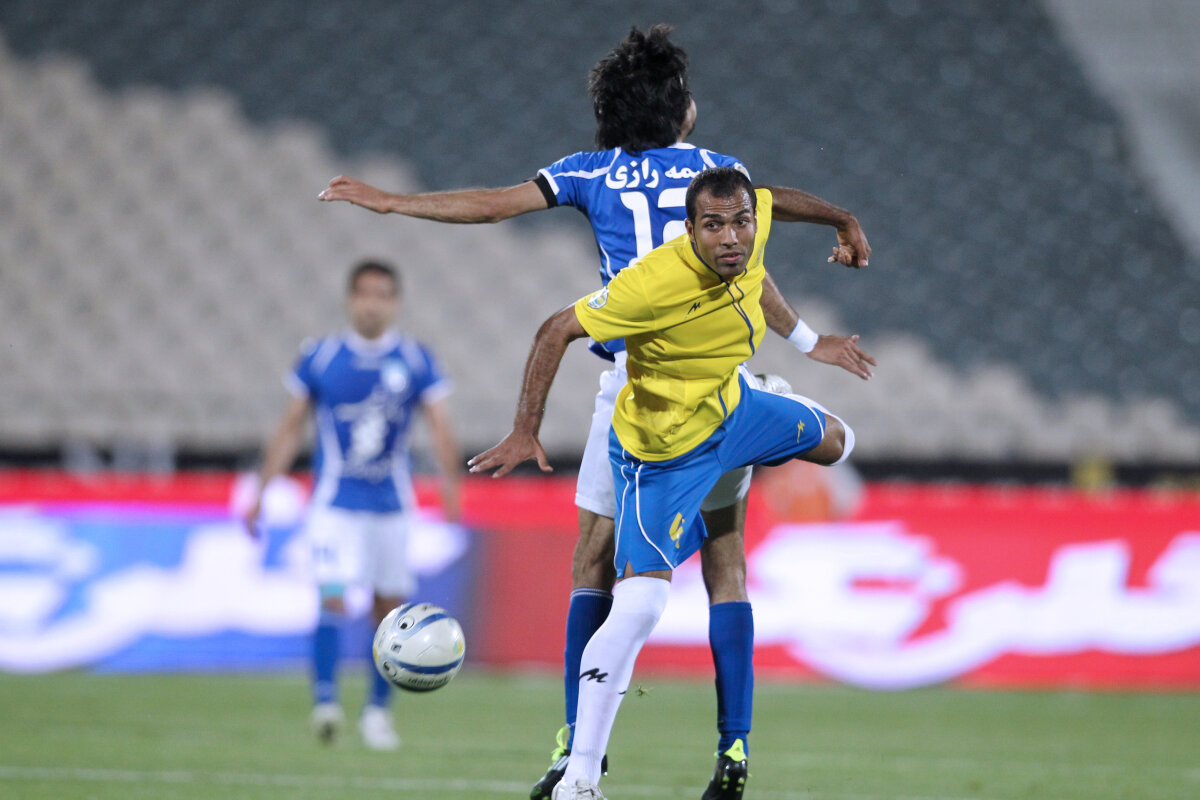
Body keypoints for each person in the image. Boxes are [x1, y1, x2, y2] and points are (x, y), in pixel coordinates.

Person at [319, 25, 874, 797]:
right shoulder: (718, 173)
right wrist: (811, 333)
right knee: (725, 564)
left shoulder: (588, 171)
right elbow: (758, 255)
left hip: (634, 393)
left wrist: (392, 204)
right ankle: (732, 747)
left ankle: (576, 752)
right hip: (722, 376)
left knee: (594, 565)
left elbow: (492, 207)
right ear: (680, 107)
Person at [470, 167, 855, 800]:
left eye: (740, 223)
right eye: (714, 226)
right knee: (643, 603)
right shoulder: (651, 282)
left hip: (734, 411)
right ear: (689, 230)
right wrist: (523, 429)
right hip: (662, 457)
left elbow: (776, 199)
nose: (731, 238)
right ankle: (581, 777)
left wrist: (843, 219)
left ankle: (768, 396)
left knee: (839, 442)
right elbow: (555, 329)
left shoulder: (749, 229)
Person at [244, 259, 462, 751]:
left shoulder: (416, 360)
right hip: (335, 505)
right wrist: (261, 491)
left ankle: (377, 714)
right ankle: (326, 704)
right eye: (364, 293)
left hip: (392, 505)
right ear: (350, 299)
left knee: (388, 611)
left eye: (382, 294)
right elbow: (290, 427)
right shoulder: (321, 357)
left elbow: (440, 427)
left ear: (395, 302)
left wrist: (451, 488)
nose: (372, 304)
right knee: (334, 596)